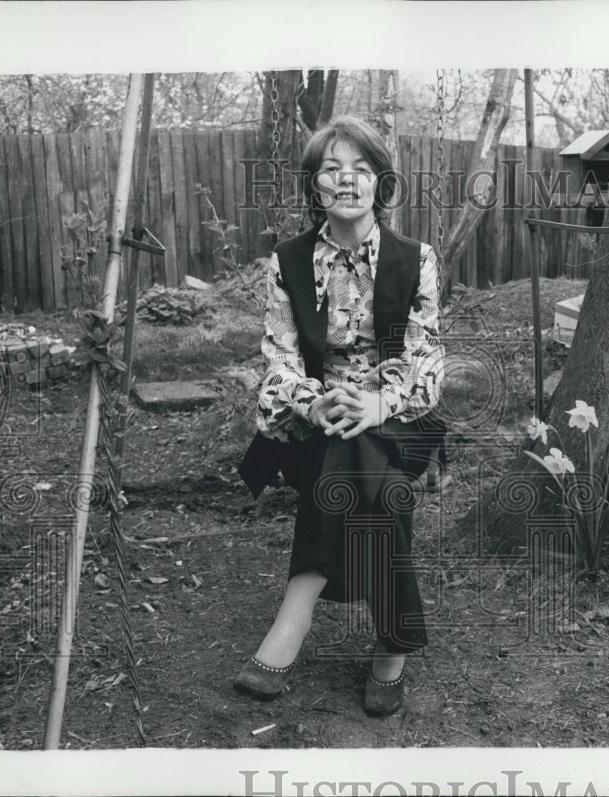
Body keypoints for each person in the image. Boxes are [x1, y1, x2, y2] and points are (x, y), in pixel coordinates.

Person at [233, 115, 446, 717]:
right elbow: (276, 363)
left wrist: (378, 401)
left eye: (361, 170)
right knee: (351, 449)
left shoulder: (416, 259)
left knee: (361, 445)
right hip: (315, 421)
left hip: (400, 415)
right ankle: (393, 645)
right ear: (314, 187)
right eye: (332, 171)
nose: (347, 182)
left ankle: (291, 624)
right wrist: (315, 400)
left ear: (382, 182)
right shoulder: (287, 261)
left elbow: (426, 357)